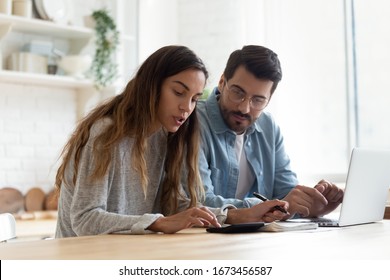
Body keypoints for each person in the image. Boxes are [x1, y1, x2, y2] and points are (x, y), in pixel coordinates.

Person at [54, 45, 288, 238]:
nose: (186, 108)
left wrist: (237, 215)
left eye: (195, 99)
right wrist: (158, 223)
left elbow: (178, 206)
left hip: (126, 257)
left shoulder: (168, 137)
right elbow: (84, 219)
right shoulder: (106, 133)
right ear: (152, 85)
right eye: (178, 92)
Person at [197, 45, 343, 219]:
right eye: (237, 92)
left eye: (258, 100)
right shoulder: (194, 122)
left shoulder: (268, 126)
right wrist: (271, 207)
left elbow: (286, 192)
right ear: (222, 82)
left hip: (258, 239)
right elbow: (200, 202)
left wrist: (312, 203)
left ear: (269, 99)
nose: (244, 108)